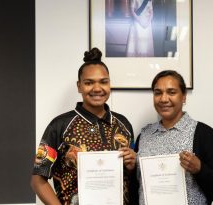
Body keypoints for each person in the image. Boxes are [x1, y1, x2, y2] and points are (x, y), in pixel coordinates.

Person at [30, 48, 138, 205]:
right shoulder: (59, 126)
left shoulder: (124, 125)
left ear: (109, 84)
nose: (97, 88)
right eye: (89, 83)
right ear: (79, 86)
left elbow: (130, 176)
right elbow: (37, 179)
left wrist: (132, 165)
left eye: (103, 82)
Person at [134, 70, 213, 204]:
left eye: (171, 92)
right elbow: (137, 186)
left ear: (184, 97)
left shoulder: (204, 134)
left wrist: (200, 169)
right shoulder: (144, 135)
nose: (163, 99)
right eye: (158, 93)